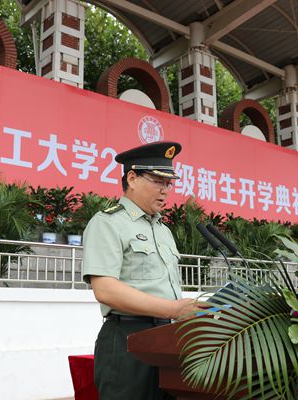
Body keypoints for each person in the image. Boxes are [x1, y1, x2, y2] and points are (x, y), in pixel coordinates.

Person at [82, 141, 198, 399]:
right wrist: (174, 309)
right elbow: (105, 290)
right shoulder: (107, 223)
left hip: (167, 340)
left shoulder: (164, 231)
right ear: (132, 178)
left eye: (168, 183)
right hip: (127, 339)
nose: (165, 190)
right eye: (157, 181)